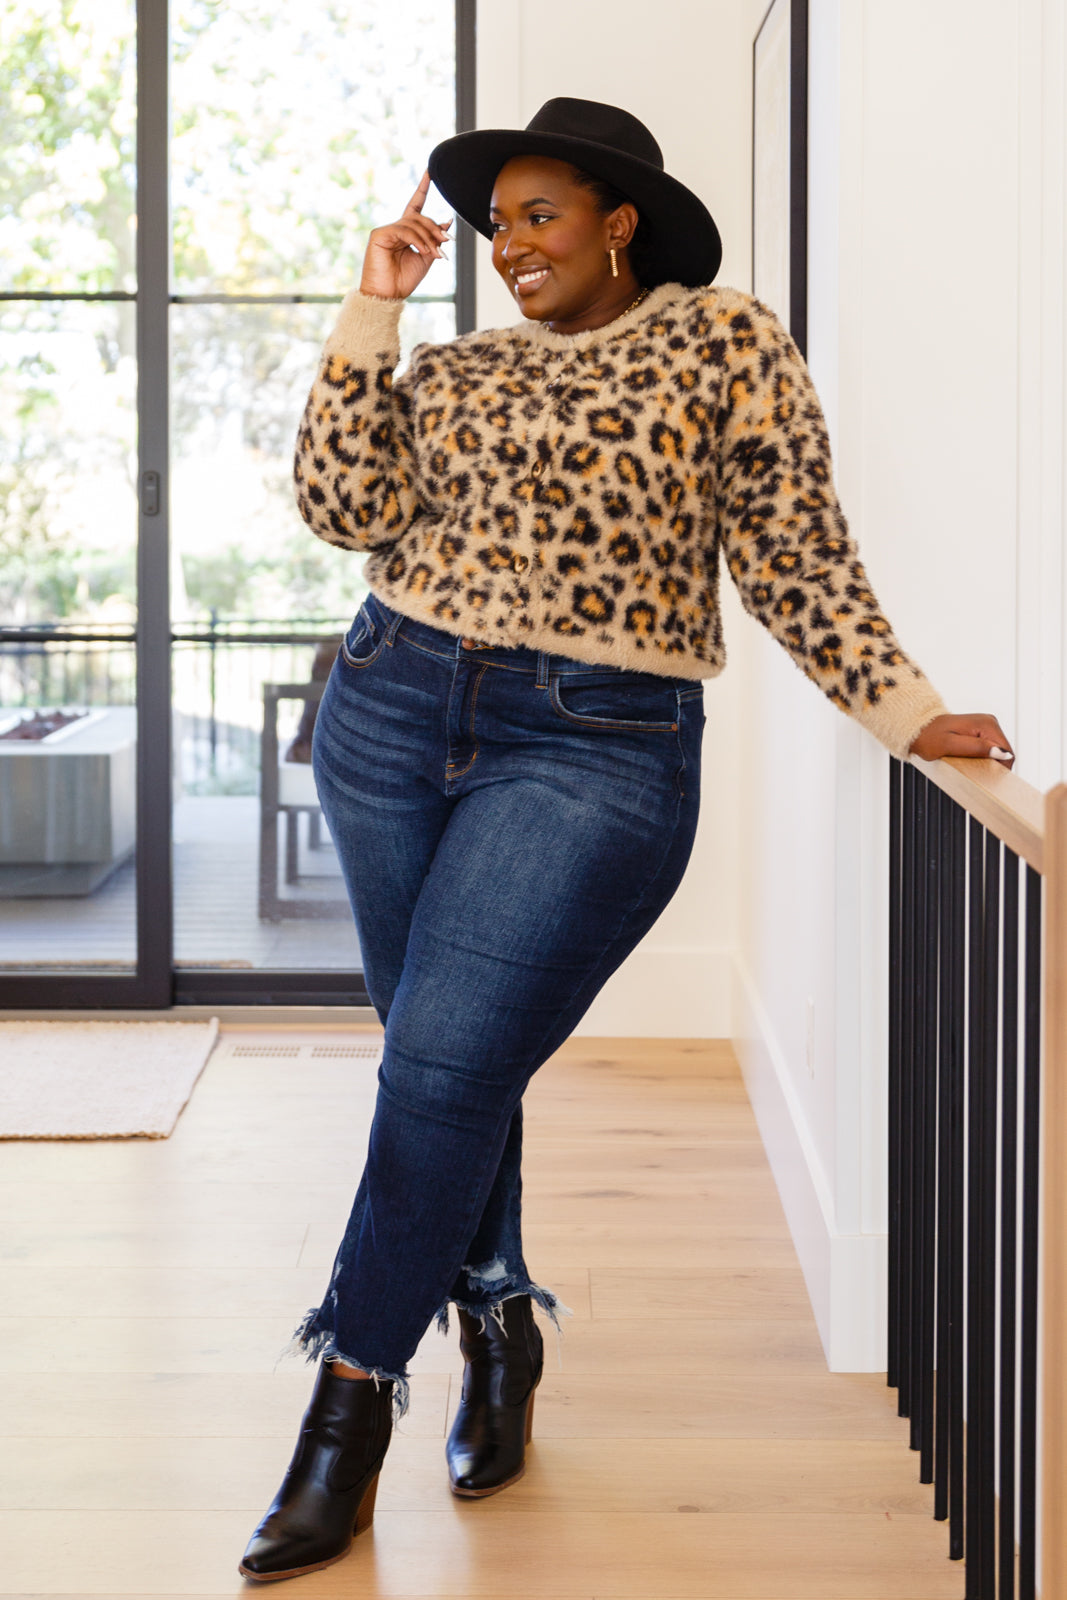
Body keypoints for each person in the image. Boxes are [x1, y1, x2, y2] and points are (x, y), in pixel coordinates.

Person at [239, 98, 1014, 1583]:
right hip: (389, 705)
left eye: (540, 215)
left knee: (442, 1061)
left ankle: (345, 1413)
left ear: (620, 222)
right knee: (450, 1057)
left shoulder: (726, 341)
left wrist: (907, 709)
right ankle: (498, 1322)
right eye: (496, 225)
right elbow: (343, 508)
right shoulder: (455, 366)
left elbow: (794, 549)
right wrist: (373, 308)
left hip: (595, 743)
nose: (511, 245)